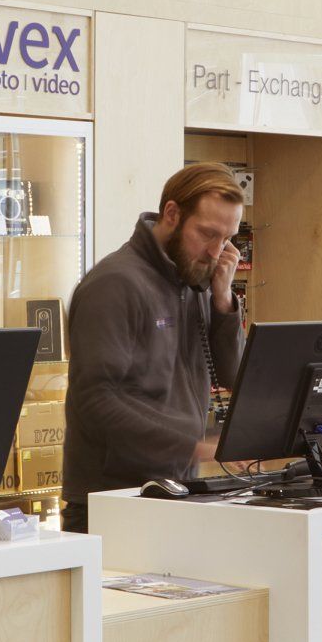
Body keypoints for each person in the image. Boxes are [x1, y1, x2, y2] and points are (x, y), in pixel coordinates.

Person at [61, 163, 248, 531]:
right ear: (172, 214)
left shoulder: (196, 279)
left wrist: (223, 302)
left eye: (227, 239)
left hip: (175, 491)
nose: (216, 252)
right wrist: (192, 445)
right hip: (113, 501)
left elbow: (231, 375)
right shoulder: (115, 284)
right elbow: (95, 401)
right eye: (207, 234)